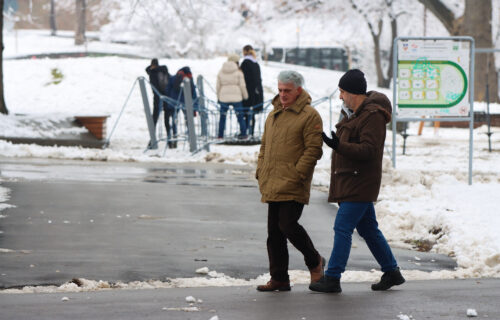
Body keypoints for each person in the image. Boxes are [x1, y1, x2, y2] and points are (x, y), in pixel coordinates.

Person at [309, 69, 405, 293]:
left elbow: (369, 151)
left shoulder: (372, 116)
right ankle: (392, 272)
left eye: (342, 91)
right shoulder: (354, 113)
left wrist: (338, 145)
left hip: (360, 183)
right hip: (351, 182)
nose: (340, 96)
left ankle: (332, 277)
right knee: (369, 230)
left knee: (342, 227)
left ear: (353, 92)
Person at [255, 70, 324, 292]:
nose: (283, 95)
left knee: (288, 225)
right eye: (280, 90)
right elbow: (264, 147)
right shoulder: (273, 115)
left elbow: (313, 150)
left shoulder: (310, 115)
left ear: (299, 91)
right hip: (273, 181)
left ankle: (314, 261)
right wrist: (261, 170)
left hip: (294, 183)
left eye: (287, 91)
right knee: (274, 234)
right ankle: (279, 279)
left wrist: (297, 174)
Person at [164, 66, 199, 148]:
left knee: (174, 120)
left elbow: (167, 90)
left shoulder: (173, 78)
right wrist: (195, 106)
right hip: (185, 103)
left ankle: (174, 137)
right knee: (188, 120)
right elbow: (193, 92)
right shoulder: (189, 79)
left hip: (174, 102)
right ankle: (191, 138)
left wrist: (169, 100)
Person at [216, 54, 248, 139]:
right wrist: (245, 96)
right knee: (240, 116)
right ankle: (244, 134)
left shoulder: (221, 71)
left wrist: (218, 97)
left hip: (223, 97)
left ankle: (220, 135)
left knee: (222, 117)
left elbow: (218, 86)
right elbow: (242, 85)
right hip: (236, 97)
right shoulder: (239, 72)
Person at [240, 45, 264, 137]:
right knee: (252, 113)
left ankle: (245, 132)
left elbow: (244, 79)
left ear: (244, 51)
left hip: (248, 92)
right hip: (256, 92)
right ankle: (251, 132)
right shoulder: (255, 63)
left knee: (245, 112)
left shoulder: (245, 63)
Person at [145, 59, 170, 130]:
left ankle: (152, 137)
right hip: (166, 95)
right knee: (167, 117)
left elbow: (147, 69)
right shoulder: (163, 70)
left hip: (157, 96)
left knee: (155, 117)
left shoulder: (152, 73)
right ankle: (169, 137)